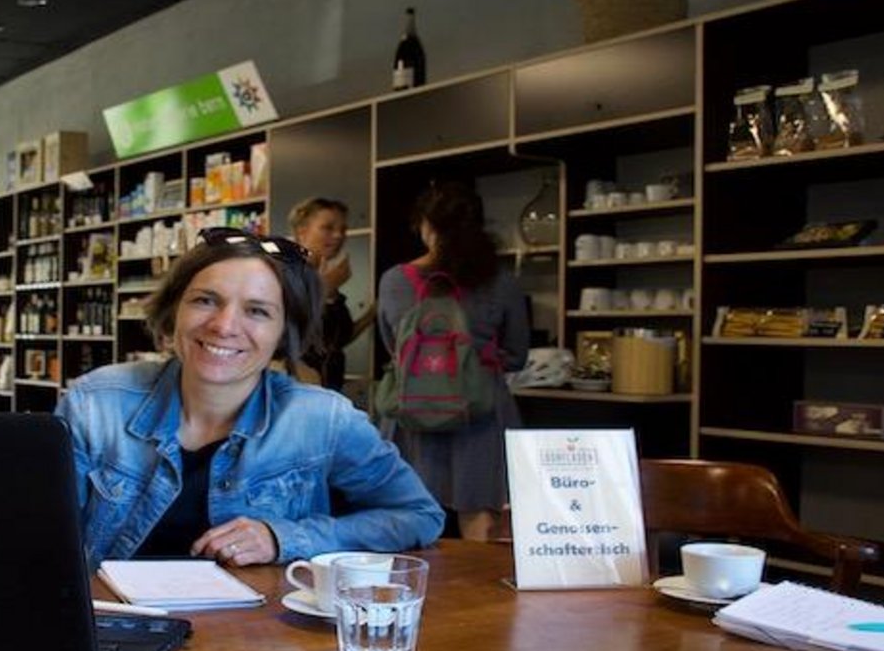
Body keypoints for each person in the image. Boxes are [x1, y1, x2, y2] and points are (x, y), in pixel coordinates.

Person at [54, 227, 444, 567]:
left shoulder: (324, 419)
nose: (224, 326)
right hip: (115, 623)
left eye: (257, 311)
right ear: (174, 311)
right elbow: (42, 536)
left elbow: (419, 514)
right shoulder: (95, 404)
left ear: (285, 332)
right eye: (205, 300)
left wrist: (283, 538)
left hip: (264, 629)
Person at [377, 182, 529, 541]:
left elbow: (394, 348)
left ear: (426, 225)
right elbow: (517, 354)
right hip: (480, 412)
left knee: (409, 518)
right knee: (482, 517)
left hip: (413, 409)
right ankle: (480, 581)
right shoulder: (501, 281)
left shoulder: (396, 280)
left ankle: (414, 578)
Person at [288, 197, 376, 391]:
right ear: (302, 232)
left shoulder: (326, 276)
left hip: (329, 392)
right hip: (296, 392)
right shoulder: (286, 275)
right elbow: (289, 337)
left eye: (343, 230)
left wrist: (371, 314)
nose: (338, 236)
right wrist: (324, 291)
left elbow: (337, 340)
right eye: (327, 228)